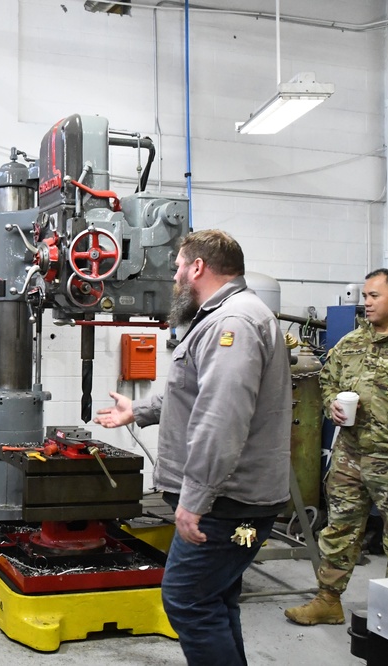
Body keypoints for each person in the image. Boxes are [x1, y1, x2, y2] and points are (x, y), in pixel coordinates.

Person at [95, 229, 291, 666]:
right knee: (216, 599)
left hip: (226, 504)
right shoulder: (224, 316)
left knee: (187, 601)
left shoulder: (232, 323)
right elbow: (197, 394)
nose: (175, 277)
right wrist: (139, 412)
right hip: (230, 501)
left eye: (178, 267)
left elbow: (221, 419)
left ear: (198, 267)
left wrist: (194, 499)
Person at [284, 269, 388, 625]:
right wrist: (331, 406)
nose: (366, 303)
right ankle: (328, 600)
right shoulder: (352, 342)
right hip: (351, 457)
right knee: (339, 528)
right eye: (365, 296)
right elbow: (327, 380)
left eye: (374, 296)